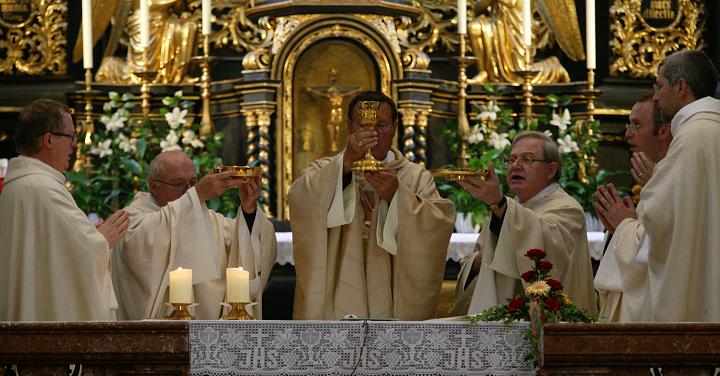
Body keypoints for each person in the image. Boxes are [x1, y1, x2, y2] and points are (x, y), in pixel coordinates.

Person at [288, 91, 455, 320]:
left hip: (393, 291)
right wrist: (346, 165)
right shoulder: (324, 170)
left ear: (395, 127)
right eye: (363, 126)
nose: (372, 134)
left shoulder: (415, 178)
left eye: (381, 125)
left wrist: (397, 196)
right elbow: (300, 199)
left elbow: (436, 226)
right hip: (337, 288)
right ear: (349, 126)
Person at [0, 99, 129, 322]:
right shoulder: (43, 189)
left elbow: (50, 251)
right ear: (49, 139)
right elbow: (86, 252)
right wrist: (104, 237)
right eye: (71, 136)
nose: (75, 144)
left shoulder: (18, 185)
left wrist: (89, 233)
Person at [111, 151, 277, 320]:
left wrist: (249, 210)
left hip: (209, 330)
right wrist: (198, 194)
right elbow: (141, 241)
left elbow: (248, 242)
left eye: (193, 182)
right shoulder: (132, 219)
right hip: (155, 333)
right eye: (178, 183)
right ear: (154, 186)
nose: (189, 190)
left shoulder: (209, 218)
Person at [453, 130, 596, 315]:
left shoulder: (567, 209)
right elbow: (479, 257)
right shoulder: (508, 209)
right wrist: (478, 262)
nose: (515, 166)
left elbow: (545, 250)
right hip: (502, 321)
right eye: (512, 159)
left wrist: (499, 203)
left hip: (552, 322)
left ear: (551, 170)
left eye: (527, 159)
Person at [636, 50, 720, 322]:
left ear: (681, 87)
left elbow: (661, 217)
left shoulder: (691, 137)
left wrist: (652, 186)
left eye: (659, 86)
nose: (656, 96)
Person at [593, 94, 672, 322]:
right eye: (629, 125)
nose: (627, 134)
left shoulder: (675, 178)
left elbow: (661, 251)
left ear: (663, 131)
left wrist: (624, 225)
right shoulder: (655, 178)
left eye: (636, 125)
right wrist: (618, 230)